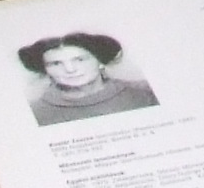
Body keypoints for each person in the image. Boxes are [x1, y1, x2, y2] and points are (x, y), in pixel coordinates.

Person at [20, 32, 159, 125]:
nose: (70, 69)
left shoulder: (145, 93)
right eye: (56, 63)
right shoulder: (35, 112)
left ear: (100, 61)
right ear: (45, 70)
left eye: (80, 60)